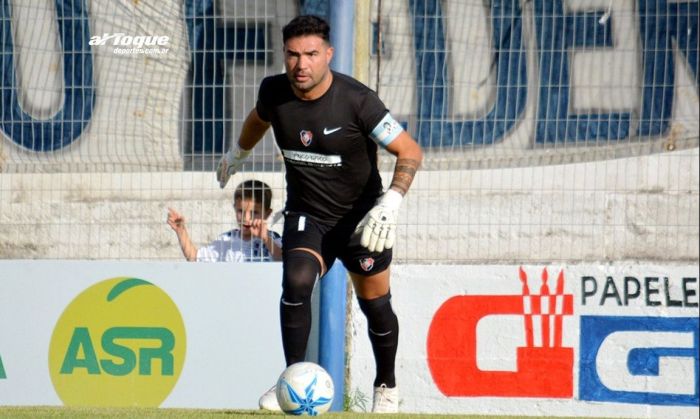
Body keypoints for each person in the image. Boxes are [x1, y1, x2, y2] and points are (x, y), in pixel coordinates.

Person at [216, 15, 422, 413]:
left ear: (328, 54)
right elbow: (258, 120)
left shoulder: (358, 101)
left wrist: (391, 201)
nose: (301, 64)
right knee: (295, 282)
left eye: (311, 54)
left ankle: (387, 386)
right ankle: (291, 384)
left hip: (362, 220)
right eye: (293, 55)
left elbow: (409, 150)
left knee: (375, 305)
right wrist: (236, 153)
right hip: (308, 213)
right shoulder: (274, 92)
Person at [167, 179, 282, 262]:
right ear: (234, 208)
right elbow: (195, 258)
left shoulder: (273, 239)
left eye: (254, 213)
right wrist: (181, 231)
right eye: (241, 211)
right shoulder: (226, 240)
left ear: (267, 213)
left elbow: (286, 261)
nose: (246, 219)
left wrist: (266, 239)